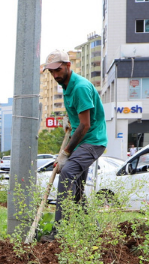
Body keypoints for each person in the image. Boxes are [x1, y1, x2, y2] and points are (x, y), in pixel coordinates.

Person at [42, 49, 107, 241]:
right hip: (83, 140)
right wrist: (70, 121)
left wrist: (65, 153)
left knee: (67, 173)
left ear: (68, 66)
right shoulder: (66, 85)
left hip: (92, 141)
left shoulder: (79, 87)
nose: (55, 75)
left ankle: (59, 233)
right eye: (51, 72)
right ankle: (95, 232)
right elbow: (80, 119)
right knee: (77, 190)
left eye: (58, 70)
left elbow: (86, 125)